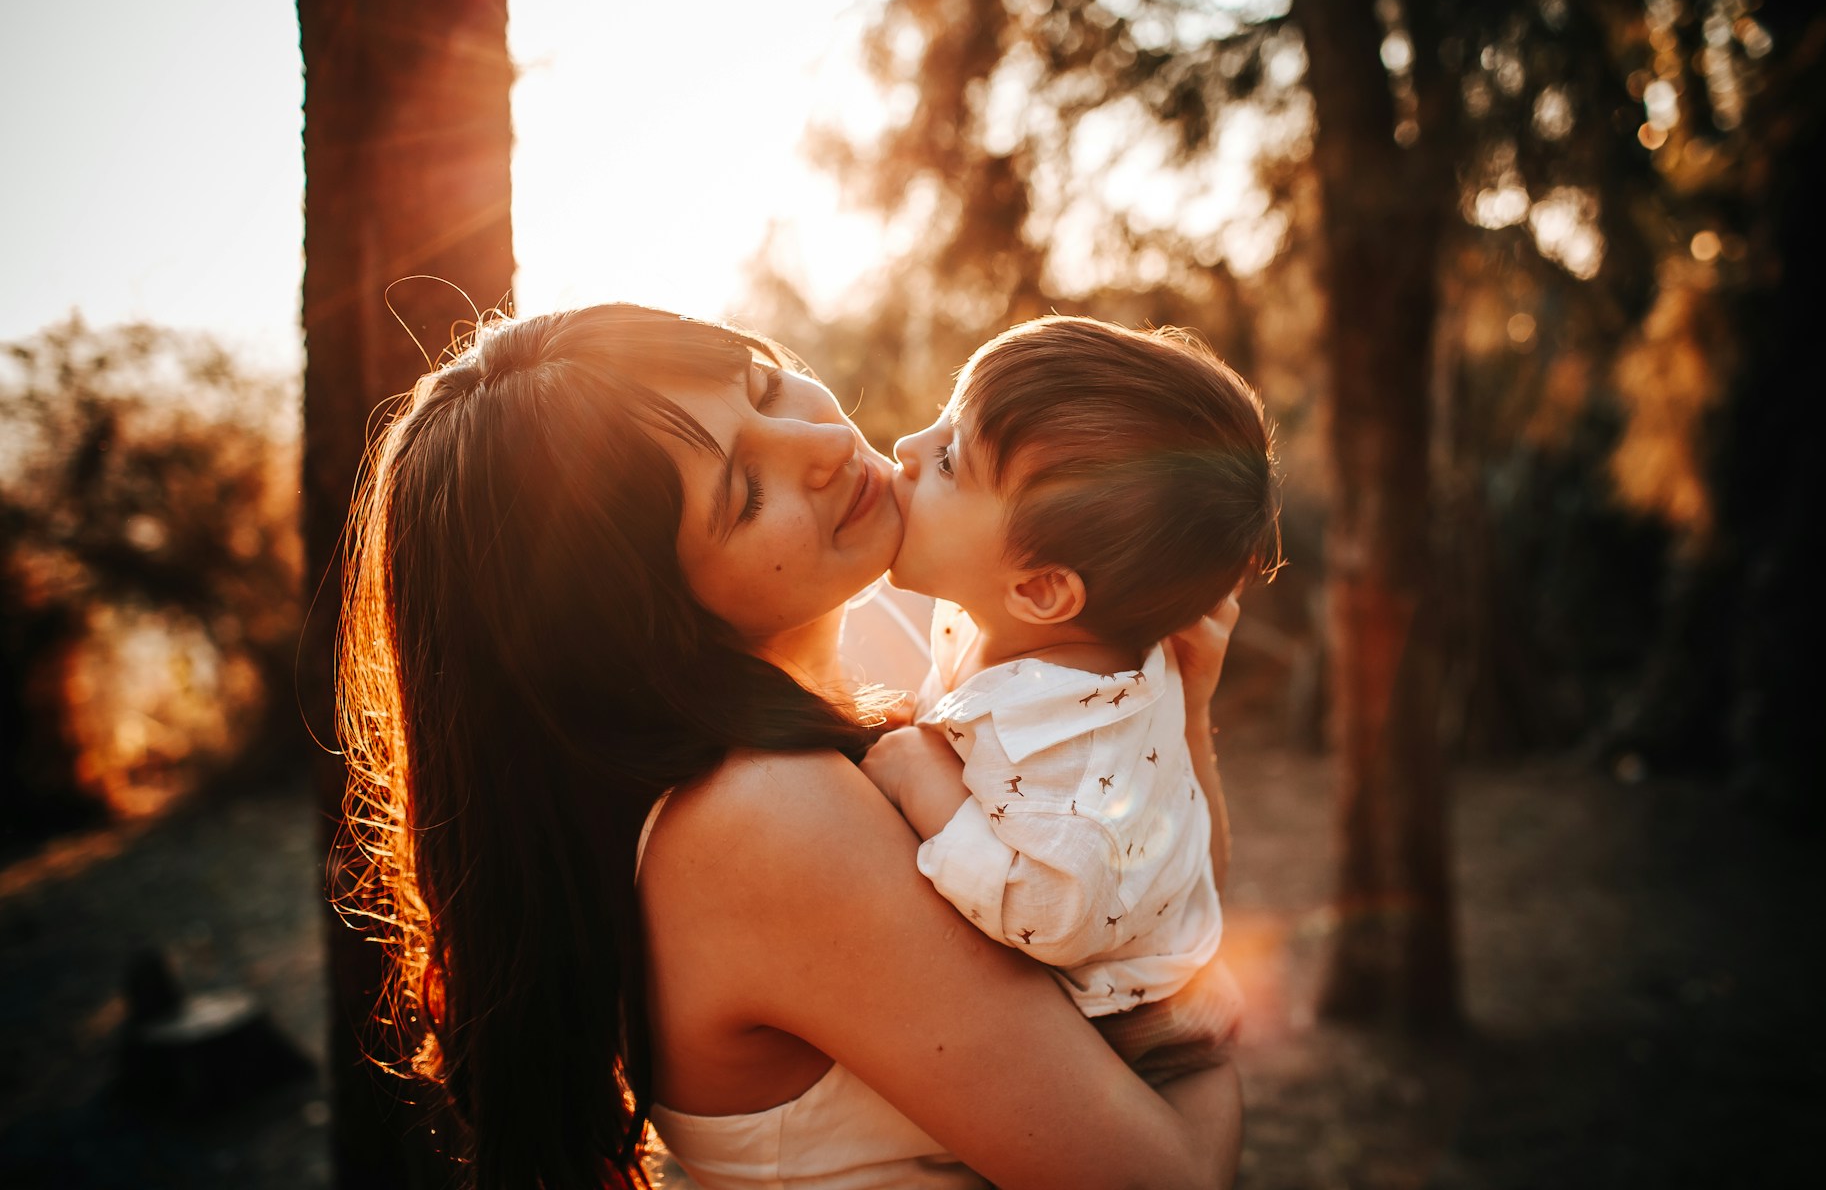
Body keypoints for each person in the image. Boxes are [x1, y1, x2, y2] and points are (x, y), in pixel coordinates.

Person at [336, 304, 1245, 1190]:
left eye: (766, 387)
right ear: (640, 621)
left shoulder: (889, 649)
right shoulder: (765, 815)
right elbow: (1165, 1174)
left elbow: (1142, 900)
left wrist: (1179, 711)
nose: (823, 445)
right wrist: (1203, 1027)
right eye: (745, 493)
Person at [861, 317, 1278, 1086]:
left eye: (951, 460)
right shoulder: (1013, 627)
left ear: (1044, 589)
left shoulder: (1076, 749)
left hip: (1109, 1045)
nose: (908, 449)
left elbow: (1057, 912)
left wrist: (920, 778)